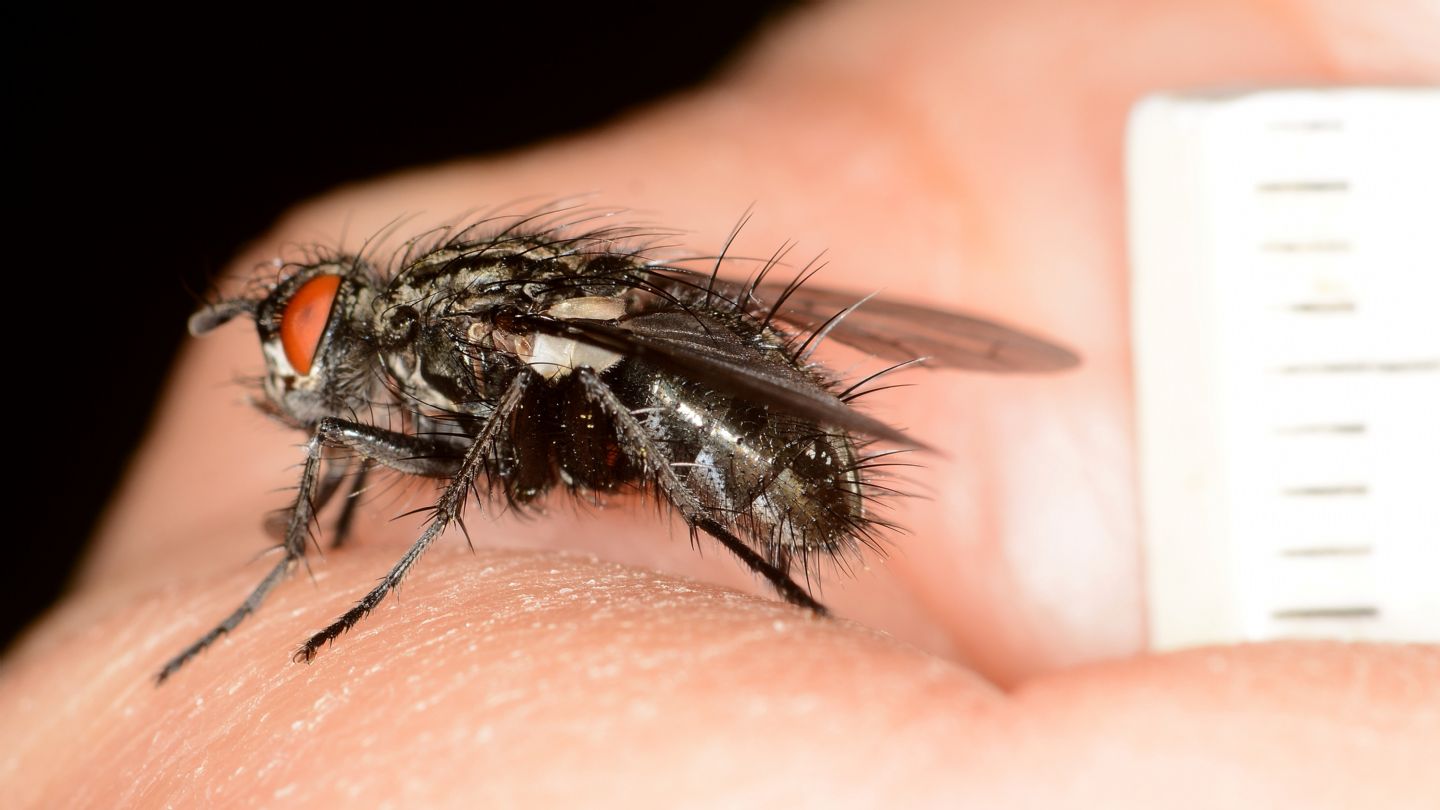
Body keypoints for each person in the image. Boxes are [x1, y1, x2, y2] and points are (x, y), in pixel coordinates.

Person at [4, 0, 1435, 805]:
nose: (293, 373)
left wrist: (389, 569)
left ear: (364, 320)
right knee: (574, 388)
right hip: (663, 381)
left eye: (303, 335)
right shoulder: (419, 359)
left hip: (730, 430)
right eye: (293, 341)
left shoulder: (459, 334)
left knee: (594, 392)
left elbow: (582, 384)